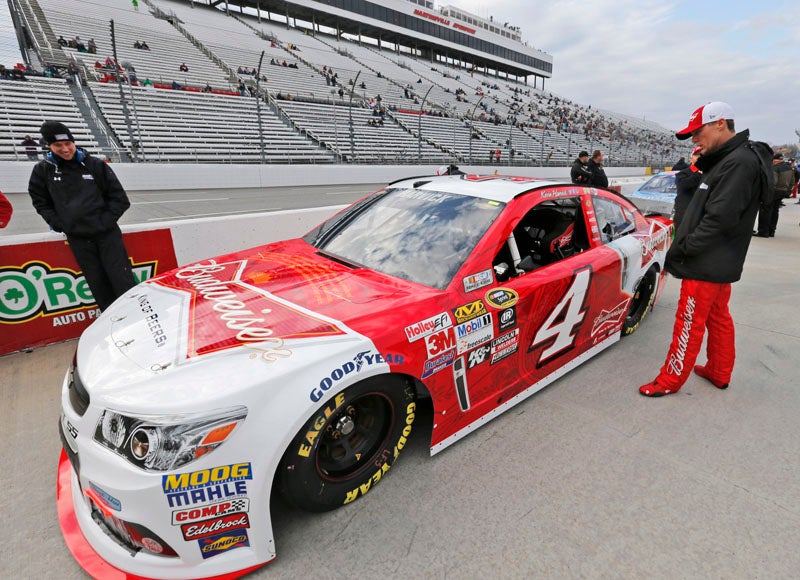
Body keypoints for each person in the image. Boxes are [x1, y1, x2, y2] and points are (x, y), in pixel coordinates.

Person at [638, 101, 773, 397]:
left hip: (707, 259)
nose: (694, 139)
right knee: (717, 316)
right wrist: (701, 164)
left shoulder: (738, 162)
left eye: (698, 132)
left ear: (720, 124)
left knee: (688, 320)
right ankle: (718, 370)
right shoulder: (732, 158)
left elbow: (718, 219)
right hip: (719, 259)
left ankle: (669, 380)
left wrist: (684, 250)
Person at [27, 121, 137, 311]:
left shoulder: (94, 164)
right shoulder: (42, 170)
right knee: (98, 284)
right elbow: (40, 203)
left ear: (73, 142)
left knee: (122, 279)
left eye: (68, 144)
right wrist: (61, 224)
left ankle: (136, 318)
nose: (65, 149)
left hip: (107, 235)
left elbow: (120, 199)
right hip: (78, 238)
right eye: (58, 146)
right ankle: (111, 322)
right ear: (49, 146)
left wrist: (104, 222)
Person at [761, 152, 794, 237]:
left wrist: (766, 193)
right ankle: (772, 231)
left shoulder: (775, 168)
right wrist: (788, 191)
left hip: (774, 191)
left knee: (766, 210)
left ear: (776, 160)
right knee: (775, 210)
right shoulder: (789, 168)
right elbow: (792, 182)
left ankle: (764, 231)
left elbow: (773, 183)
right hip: (782, 192)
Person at [672, 146, 702, 228]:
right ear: (691, 159)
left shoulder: (709, 173)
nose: (699, 157)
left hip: (700, 214)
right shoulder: (683, 173)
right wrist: (699, 174)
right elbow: (683, 185)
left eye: (701, 155)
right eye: (696, 155)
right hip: (684, 214)